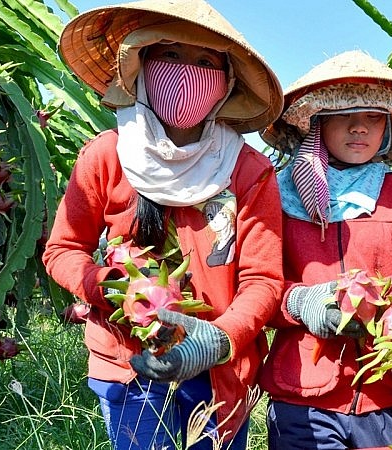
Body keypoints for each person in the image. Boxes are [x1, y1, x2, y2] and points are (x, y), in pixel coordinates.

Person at [42, 0, 284, 448]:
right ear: (141, 64)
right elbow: (62, 250)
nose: (187, 74)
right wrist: (112, 285)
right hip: (129, 364)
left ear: (226, 82)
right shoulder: (105, 156)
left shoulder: (248, 171)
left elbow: (263, 278)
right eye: (170, 54)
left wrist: (217, 339)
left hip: (218, 370)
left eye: (205, 62)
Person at [257, 50, 392, 449]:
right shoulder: (277, 195)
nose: (359, 128)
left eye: (374, 117)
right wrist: (301, 303)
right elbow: (256, 288)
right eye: (344, 115)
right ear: (317, 122)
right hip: (304, 400)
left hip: (390, 396)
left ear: (388, 128)